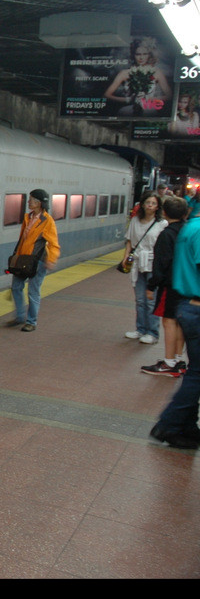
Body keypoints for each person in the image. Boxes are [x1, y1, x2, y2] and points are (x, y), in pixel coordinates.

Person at [150, 215, 200, 450]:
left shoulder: (192, 226)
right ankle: (169, 425)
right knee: (198, 374)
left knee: (196, 372)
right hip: (196, 307)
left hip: (188, 305)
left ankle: (187, 425)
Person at [143, 196, 188, 376]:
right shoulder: (189, 231)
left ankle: (169, 363)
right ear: (185, 213)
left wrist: (151, 286)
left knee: (169, 321)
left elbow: (161, 264)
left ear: (165, 213)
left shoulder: (166, 234)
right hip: (188, 284)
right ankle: (179, 360)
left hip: (171, 285)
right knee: (181, 322)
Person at [8, 189, 60, 332]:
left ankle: (31, 321)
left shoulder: (47, 221)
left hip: (38, 262)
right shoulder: (28, 217)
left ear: (39, 203)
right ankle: (20, 316)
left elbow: (54, 244)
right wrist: (16, 257)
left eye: (31, 199)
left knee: (33, 291)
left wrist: (52, 259)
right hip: (23, 260)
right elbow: (22, 240)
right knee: (16, 287)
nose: (29, 202)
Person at [123, 191, 167, 344]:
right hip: (137, 262)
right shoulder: (135, 221)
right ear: (142, 204)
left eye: (154, 203)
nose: (150, 206)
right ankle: (140, 329)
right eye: (148, 202)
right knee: (140, 299)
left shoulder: (162, 224)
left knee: (150, 300)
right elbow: (129, 241)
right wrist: (125, 258)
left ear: (157, 206)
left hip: (152, 263)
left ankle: (152, 332)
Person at [104, 37, 171, 117]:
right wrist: (128, 100)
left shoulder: (156, 72)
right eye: (138, 54)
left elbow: (169, 96)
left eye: (144, 54)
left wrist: (149, 99)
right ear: (133, 55)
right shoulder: (125, 73)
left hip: (148, 109)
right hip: (129, 110)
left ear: (149, 55)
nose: (141, 58)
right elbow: (106, 95)